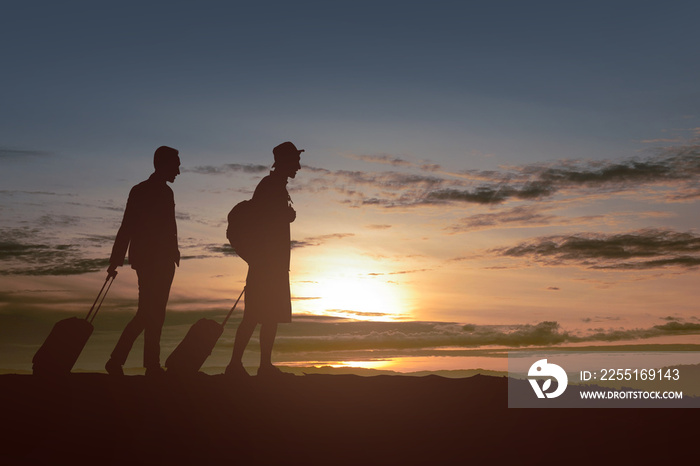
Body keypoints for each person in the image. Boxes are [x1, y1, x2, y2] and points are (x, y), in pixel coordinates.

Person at [225, 141, 302, 378]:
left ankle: (262, 366)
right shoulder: (270, 186)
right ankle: (236, 365)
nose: (298, 166)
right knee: (255, 316)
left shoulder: (275, 186)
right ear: (285, 162)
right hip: (267, 264)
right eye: (295, 161)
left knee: (271, 316)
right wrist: (286, 216)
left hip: (273, 263)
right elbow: (264, 222)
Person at [105, 146, 181, 376]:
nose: (178, 170)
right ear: (163, 165)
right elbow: (127, 225)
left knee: (154, 313)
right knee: (148, 313)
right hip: (149, 261)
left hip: (165, 261)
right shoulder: (140, 191)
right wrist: (116, 260)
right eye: (175, 165)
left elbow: (170, 226)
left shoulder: (167, 193)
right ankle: (124, 361)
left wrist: (174, 252)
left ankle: (147, 364)